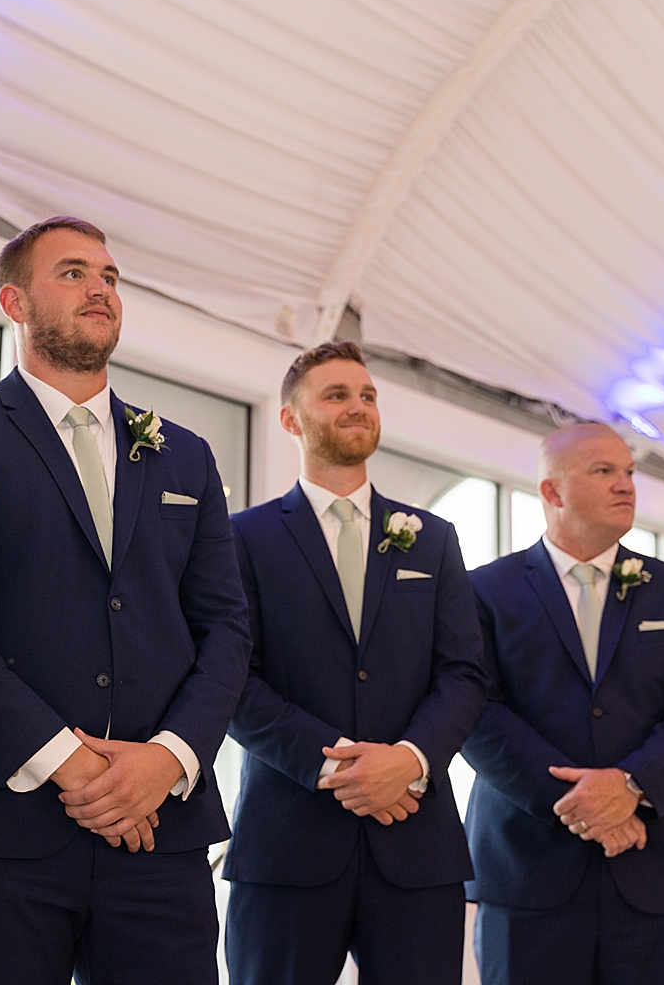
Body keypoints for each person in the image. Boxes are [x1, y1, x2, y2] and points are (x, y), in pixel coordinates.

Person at [0, 216, 250, 985]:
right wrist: (67, 762)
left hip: (162, 827)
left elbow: (227, 629)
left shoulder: (184, 454)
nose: (99, 287)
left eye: (108, 275)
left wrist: (168, 760)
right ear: (14, 300)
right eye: (71, 273)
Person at [220, 342, 489, 984]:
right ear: (291, 420)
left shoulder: (434, 536)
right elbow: (230, 677)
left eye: (367, 395)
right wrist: (336, 765)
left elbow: (465, 675)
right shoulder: (241, 537)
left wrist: (410, 760)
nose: (358, 406)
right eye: (336, 395)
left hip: (417, 843)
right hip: (287, 842)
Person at [463, 423, 664, 985]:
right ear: (552, 492)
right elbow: (475, 709)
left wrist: (631, 787)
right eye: (603, 471)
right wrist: (582, 804)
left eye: (629, 472)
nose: (626, 485)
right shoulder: (483, 590)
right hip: (528, 870)